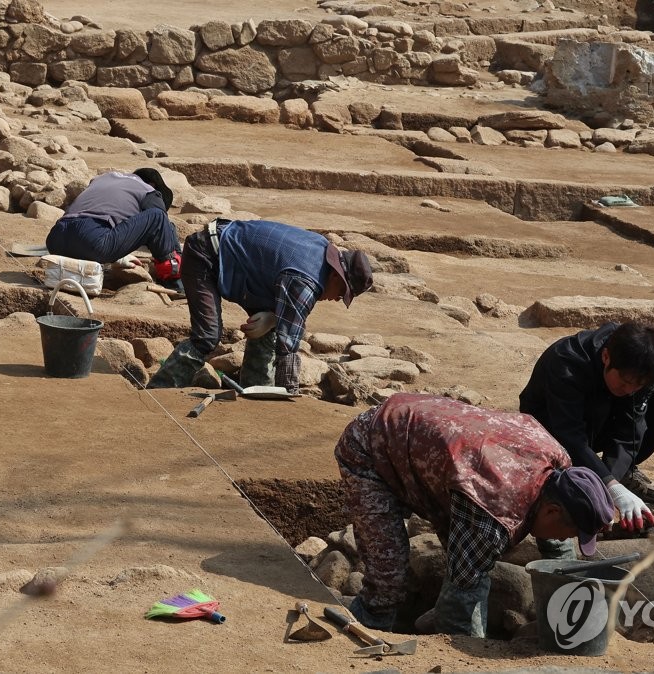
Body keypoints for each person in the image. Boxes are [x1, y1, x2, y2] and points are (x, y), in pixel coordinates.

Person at [335, 392, 615, 637]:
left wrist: (567, 603)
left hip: (434, 435)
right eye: (572, 533)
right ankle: (361, 634)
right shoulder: (493, 510)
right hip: (371, 446)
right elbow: (463, 605)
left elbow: (557, 550)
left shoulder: (560, 467)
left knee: (473, 555)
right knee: (389, 581)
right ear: (552, 511)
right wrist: (474, 655)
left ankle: (430, 615)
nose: (570, 539)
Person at [147, 218, 373, 392]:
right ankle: (160, 389)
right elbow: (288, 347)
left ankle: (256, 393)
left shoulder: (321, 248)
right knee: (206, 336)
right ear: (335, 276)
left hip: (235, 258)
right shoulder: (306, 281)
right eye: (341, 292)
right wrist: (289, 393)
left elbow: (284, 313)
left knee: (268, 327)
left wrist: (273, 318)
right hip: (205, 254)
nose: (335, 299)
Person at [519, 321, 654, 533]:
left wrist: (612, 484)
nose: (630, 390)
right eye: (625, 381)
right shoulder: (566, 361)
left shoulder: (640, 371)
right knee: (592, 421)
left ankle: (621, 475)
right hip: (552, 429)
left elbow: (630, 429)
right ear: (606, 357)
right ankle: (578, 477)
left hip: (600, 422)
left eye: (638, 385)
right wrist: (610, 487)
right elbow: (569, 435)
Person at [45, 167, 183, 288]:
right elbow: (161, 224)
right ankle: (173, 278)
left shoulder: (103, 179)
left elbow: (94, 215)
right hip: (92, 241)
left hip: (55, 240)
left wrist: (121, 256)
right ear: (152, 184)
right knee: (158, 216)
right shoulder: (149, 191)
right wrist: (176, 257)